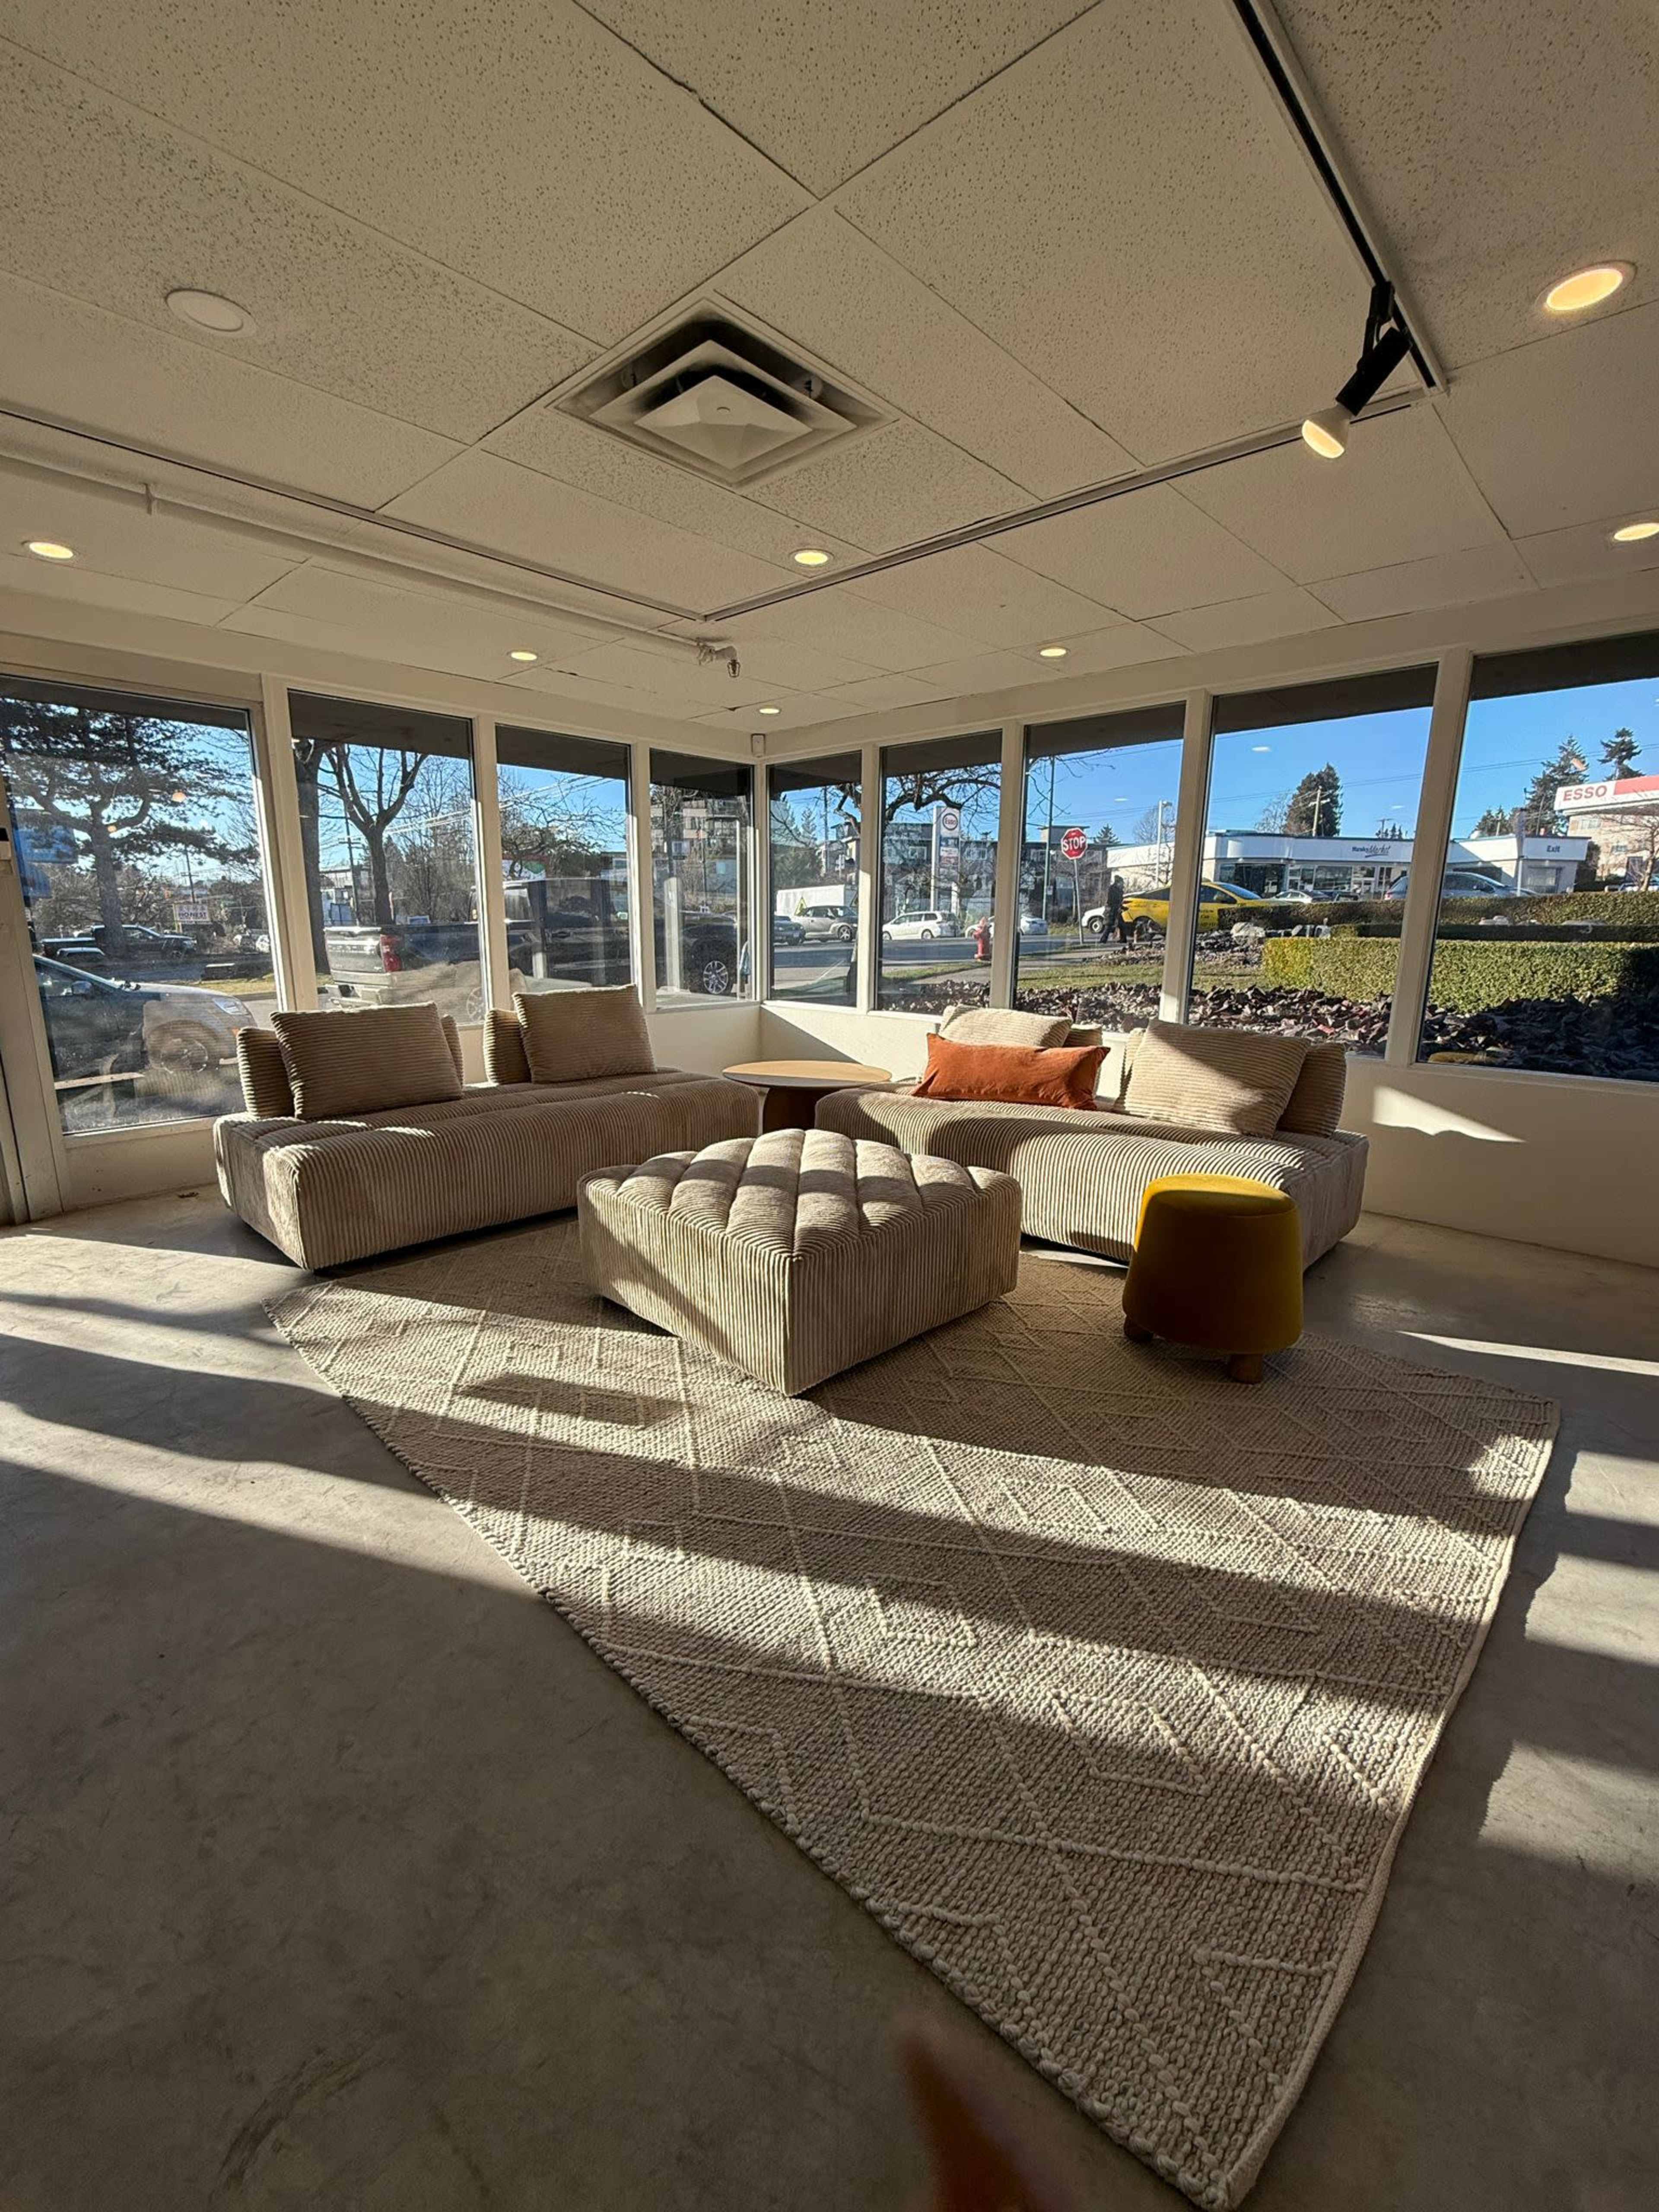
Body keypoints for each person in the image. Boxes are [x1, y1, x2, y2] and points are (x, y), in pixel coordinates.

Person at [1105, 873, 1128, 946]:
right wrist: (1117, 907)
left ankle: (1123, 939)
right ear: (1118, 883)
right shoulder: (1113, 890)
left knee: (1122, 925)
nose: (1123, 885)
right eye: (1122, 883)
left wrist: (1123, 908)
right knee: (1109, 925)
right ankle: (1103, 940)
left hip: (1118, 909)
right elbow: (1111, 901)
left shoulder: (1120, 890)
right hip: (1112, 910)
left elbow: (1120, 901)